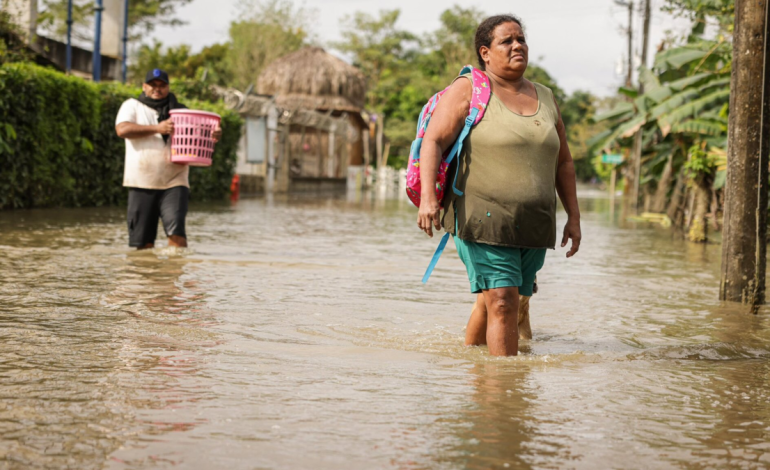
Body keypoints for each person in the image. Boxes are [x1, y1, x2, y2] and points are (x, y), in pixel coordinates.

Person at [417, 15, 581, 356]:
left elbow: (563, 162)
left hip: (534, 224)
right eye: (507, 41)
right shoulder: (469, 90)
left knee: (505, 301)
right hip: (483, 217)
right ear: (486, 52)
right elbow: (433, 141)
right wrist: (428, 200)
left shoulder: (546, 97)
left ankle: (472, 364)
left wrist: (574, 218)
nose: (517, 45)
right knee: (504, 303)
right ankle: (504, 396)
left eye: (521, 39)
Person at [115, 69, 221, 250]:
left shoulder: (181, 111)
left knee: (176, 232)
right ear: (144, 86)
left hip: (175, 180)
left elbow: (201, 134)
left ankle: (174, 274)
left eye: (162, 85)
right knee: (143, 243)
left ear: (168, 87)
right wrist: (157, 128)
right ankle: (148, 277)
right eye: (153, 85)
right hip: (141, 181)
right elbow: (122, 130)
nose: (157, 89)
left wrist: (214, 134)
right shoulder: (132, 106)